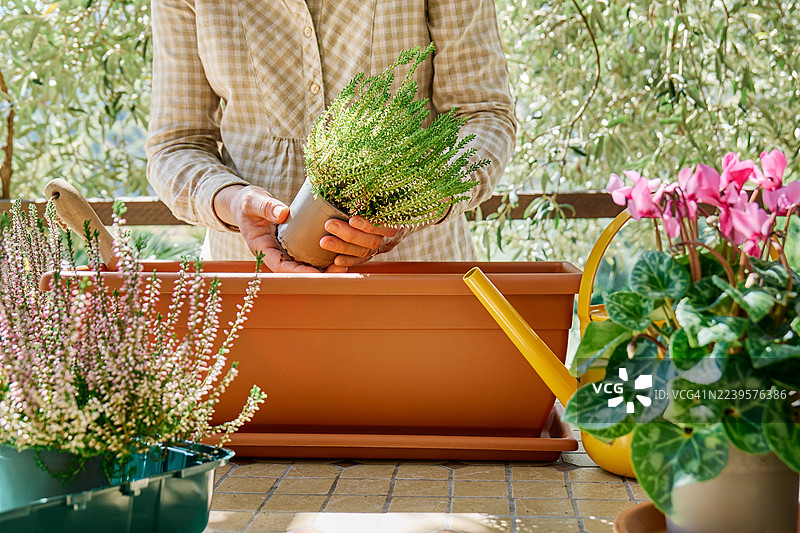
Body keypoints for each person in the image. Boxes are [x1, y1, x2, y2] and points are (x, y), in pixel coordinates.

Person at [145, 0, 518, 273]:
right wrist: (232, 201)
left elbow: (484, 115)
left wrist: (413, 206)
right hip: (249, 283)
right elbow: (176, 145)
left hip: (413, 280)